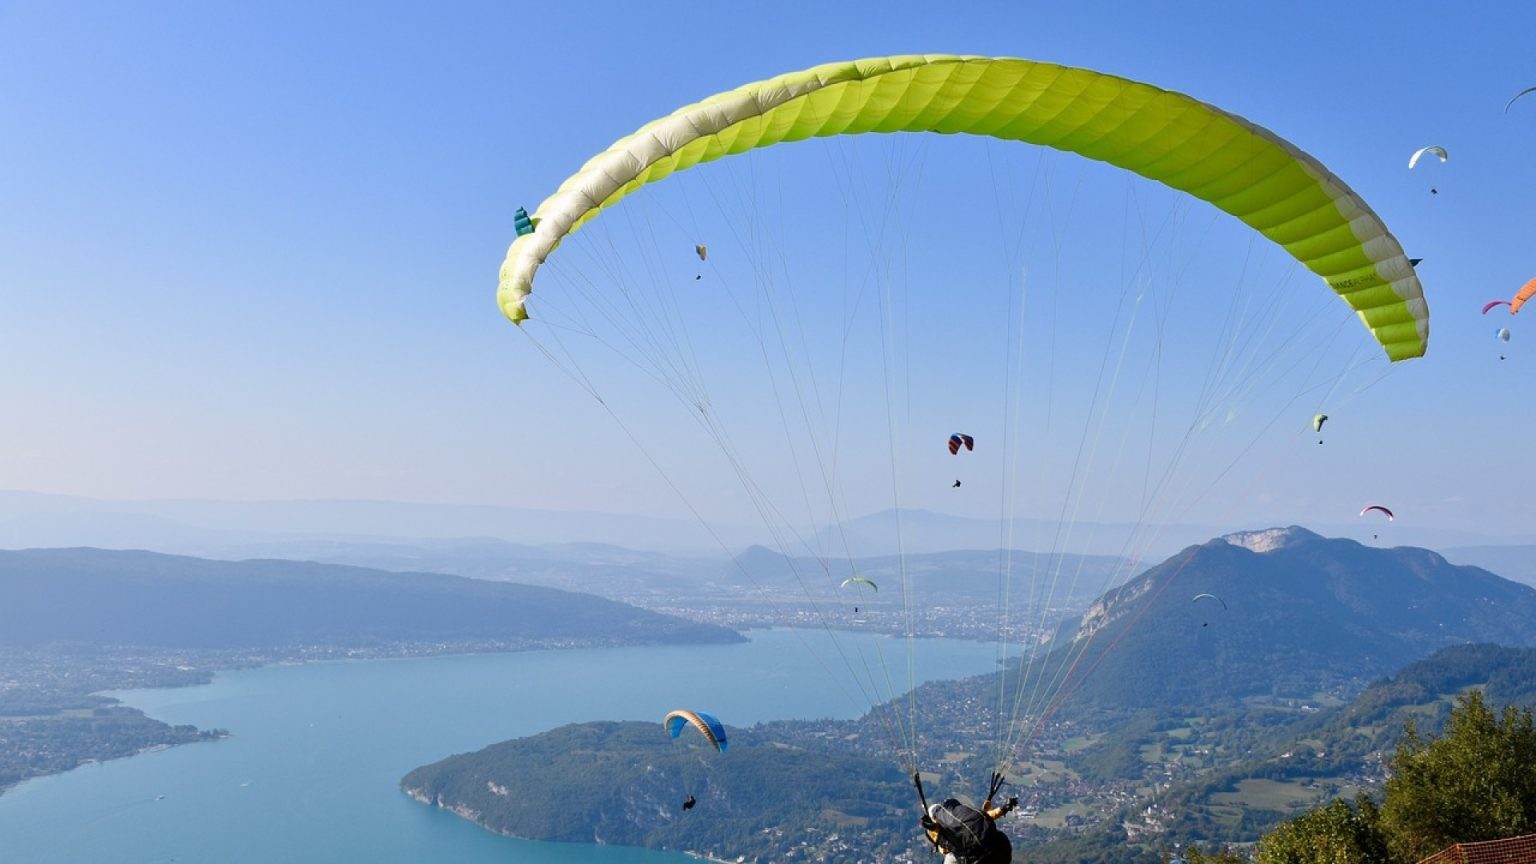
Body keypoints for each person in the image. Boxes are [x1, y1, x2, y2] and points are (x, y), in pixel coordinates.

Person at [918, 773, 1018, 864]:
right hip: (998, 847)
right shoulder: (963, 813)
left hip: (974, 856)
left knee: (950, 858)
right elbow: (989, 815)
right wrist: (1004, 808)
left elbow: (945, 849)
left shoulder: (939, 827)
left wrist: (932, 829)